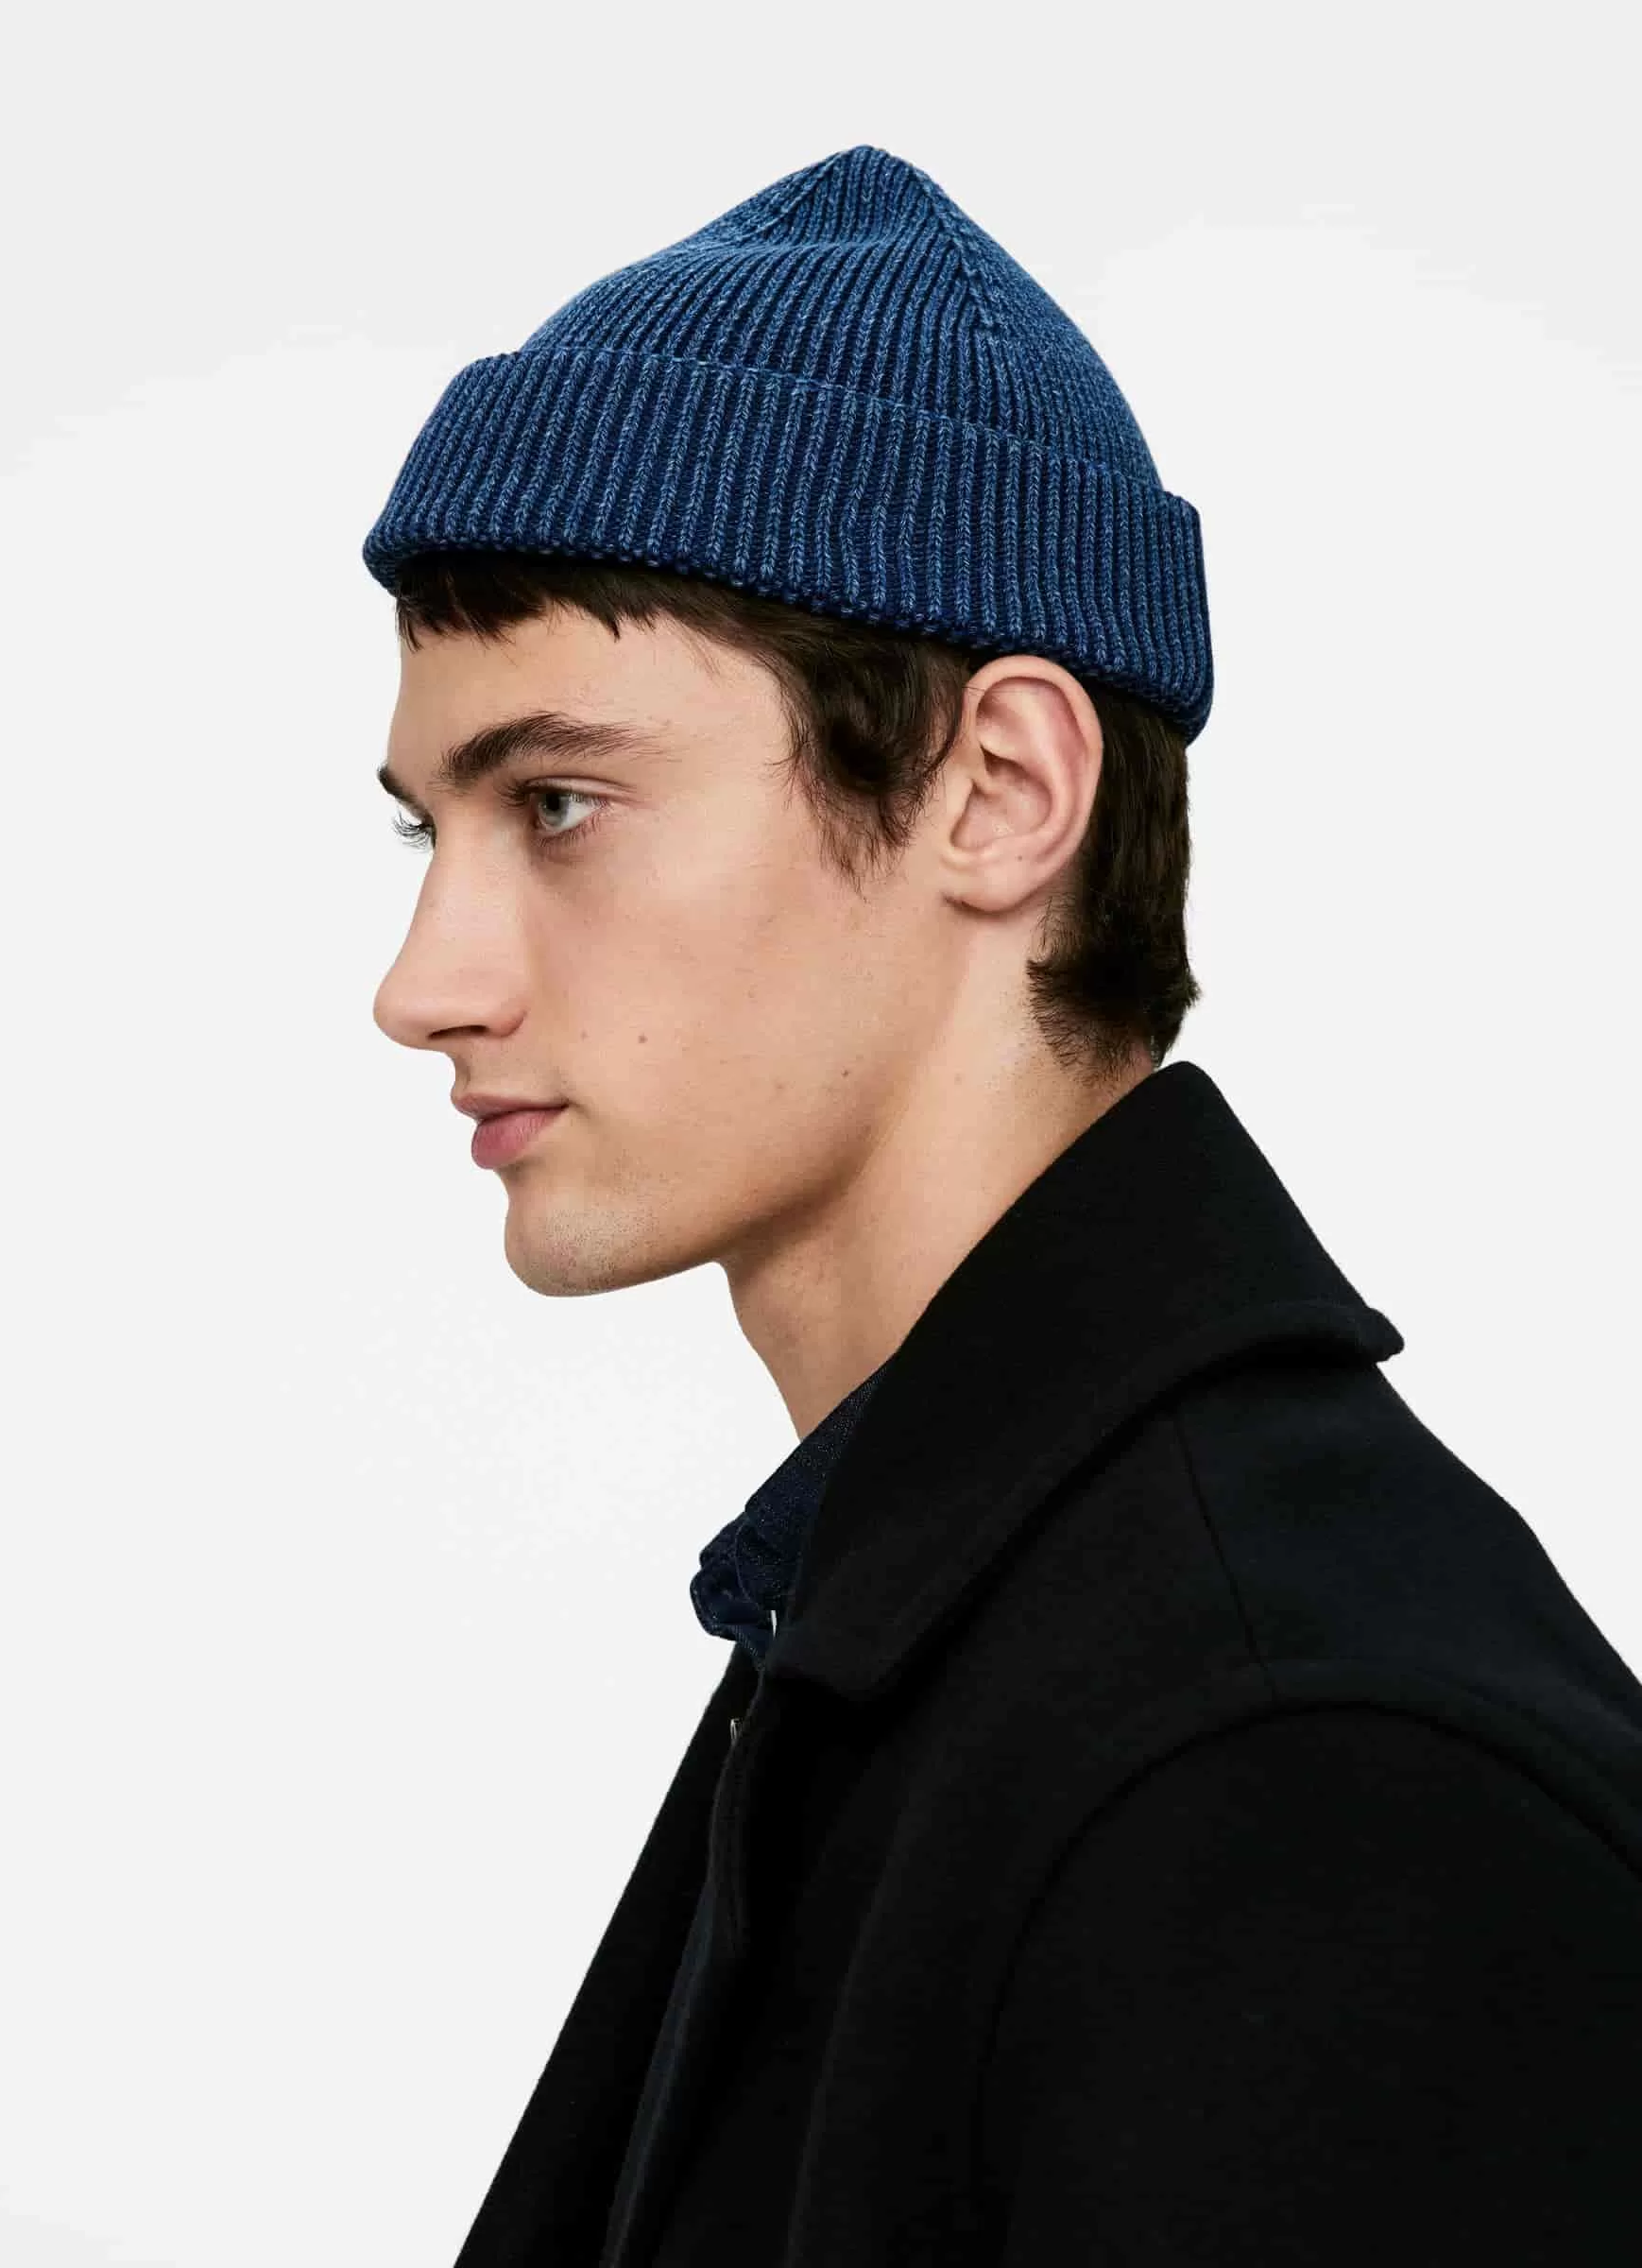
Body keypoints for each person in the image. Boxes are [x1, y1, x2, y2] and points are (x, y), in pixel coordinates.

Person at [363, 144, 1642, 2266]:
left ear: (999, 791)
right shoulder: (938, 1636)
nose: (423, 985)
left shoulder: (1295, 1776)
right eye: (428, 831)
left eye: (560, 803)